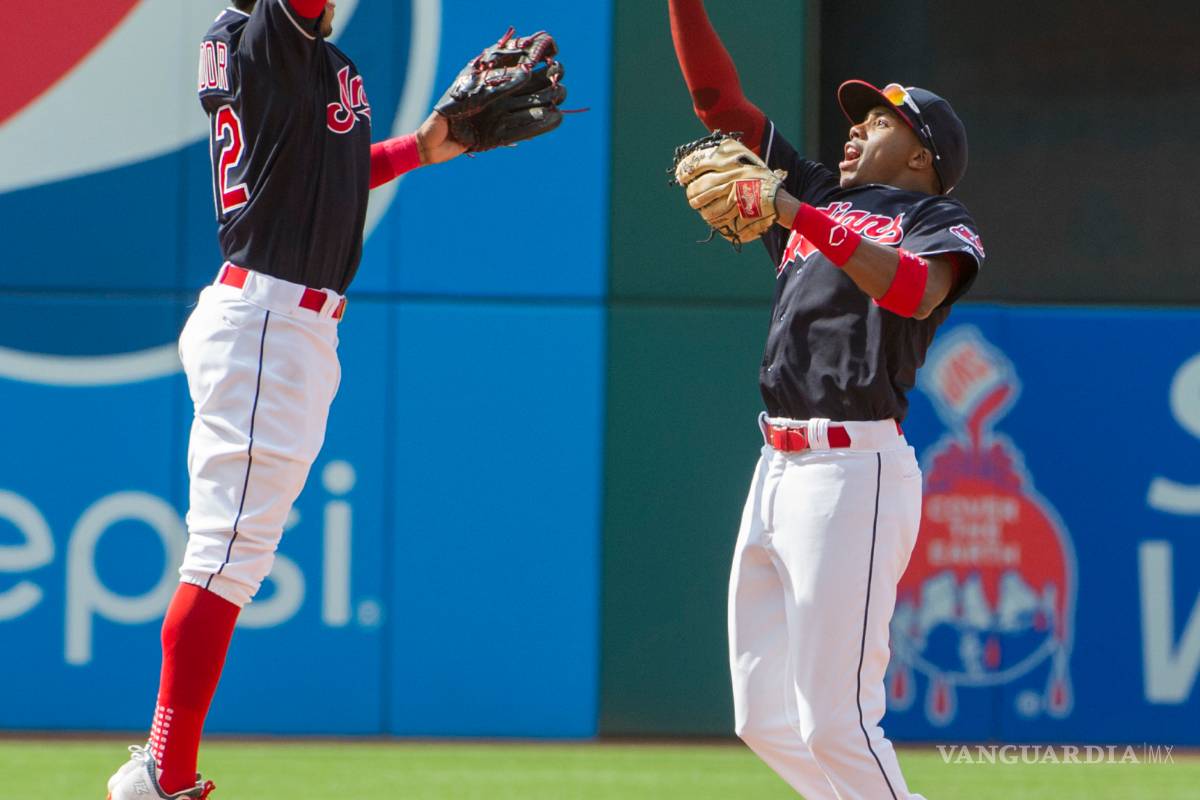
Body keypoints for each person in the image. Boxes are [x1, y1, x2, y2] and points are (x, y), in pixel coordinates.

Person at [105, 1, 546, 797]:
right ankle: (161, 774)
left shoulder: (300, 61)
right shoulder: (266, 36)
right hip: (269, 321)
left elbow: (316, 170)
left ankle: (159, 770)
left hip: (284, 325)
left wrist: (424, 147)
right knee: (224, 558)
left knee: (231, 556)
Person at [668, 2, 986, 798]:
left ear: (923, 156)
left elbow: (914, 291)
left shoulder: (936, 219)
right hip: (775, 468)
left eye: (879, 120)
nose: (855, 128)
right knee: (765, 720)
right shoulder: (812, 191)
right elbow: (718, 106)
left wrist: (795, 213)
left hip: (855, 473)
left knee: (837, 720)